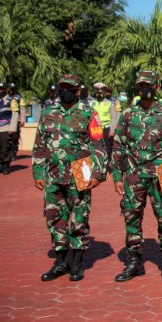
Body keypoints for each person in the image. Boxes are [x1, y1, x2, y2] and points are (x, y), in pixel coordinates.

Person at [111, 71, 162, 283]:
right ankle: (134, 263)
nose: (145, 89)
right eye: (141, 85)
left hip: (161, 173)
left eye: (149, 85)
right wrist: (117, 175)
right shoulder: (127, 114)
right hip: (134, 175)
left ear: (156, 87)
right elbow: (118, 145)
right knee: (131, 216)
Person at [32, 74, 106, 281]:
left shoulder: (89, 113)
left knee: (79, 218)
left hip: (80, 170)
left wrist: (97, 172)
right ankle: (61, 261)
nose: (65, 92)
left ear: (78, 91)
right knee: (54, 217)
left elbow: (98, 145)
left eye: (70, 88)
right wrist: (38, 172)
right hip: (53, 172)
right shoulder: (48, 113)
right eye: (62, 88)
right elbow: (39, 145)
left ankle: (77, 262)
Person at [89, 82, 119, 173]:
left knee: (107, 147)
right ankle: (95, 166)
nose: (99, 92)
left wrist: (112, 129)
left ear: (105, 92)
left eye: (101, 91)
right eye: (98, 91)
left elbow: (114, 117)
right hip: (94, 129)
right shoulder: (91, 103)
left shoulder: (110, 103)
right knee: (94, 147)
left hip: (106, 128)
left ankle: (106, 166)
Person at [0, 82, 19, 175]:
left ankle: (6, 165)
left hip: (5, 127)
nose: (0, 90)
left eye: (2, 89)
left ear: (6, 90)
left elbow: (15, 114)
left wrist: (12, 127)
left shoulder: (11, 100)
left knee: (5, 147)